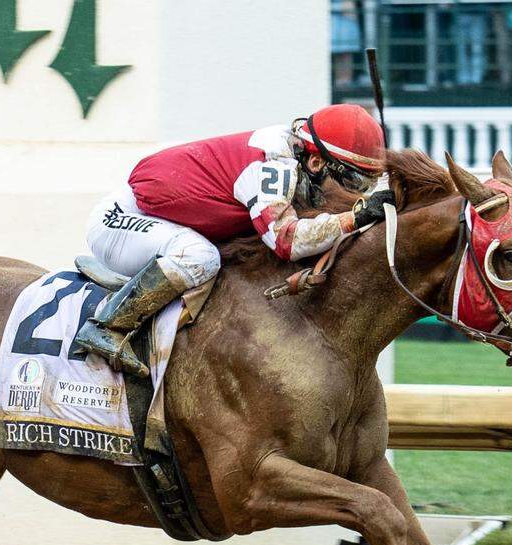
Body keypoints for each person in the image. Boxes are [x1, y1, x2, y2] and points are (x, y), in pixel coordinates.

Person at [72, 103, 391, 377]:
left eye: (368, 184)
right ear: (316, 162)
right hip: (120, 221)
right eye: (354, 182)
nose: (358, 194)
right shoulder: (273, 164)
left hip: (160, 222)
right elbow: (287, 241)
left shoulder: (298, 156)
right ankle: (107, 327)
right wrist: (355, 218)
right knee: (200, 257)